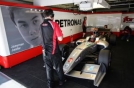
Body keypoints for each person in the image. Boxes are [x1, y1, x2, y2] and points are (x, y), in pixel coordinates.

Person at [40, 9, 66, 88]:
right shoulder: (54, 24)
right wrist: (61, 34)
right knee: (58, 67)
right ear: (52, 16)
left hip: (44, 51)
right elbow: (60, 38)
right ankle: (61, 80)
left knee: (48, 68)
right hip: (54, 51)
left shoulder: (41, 25)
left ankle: (50, 84)